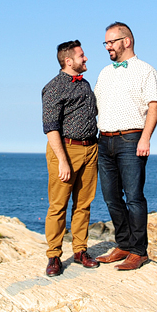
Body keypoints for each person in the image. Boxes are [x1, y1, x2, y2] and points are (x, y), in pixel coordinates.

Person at [93, 22, 157, 270]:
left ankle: (138, 251)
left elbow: (155, 105)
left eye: (111, 42)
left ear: (127, 41)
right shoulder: (104, 73)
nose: (107, 47)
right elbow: (96, 106)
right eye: (106, 43)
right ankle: (123, 244)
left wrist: (145, 138)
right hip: (104, 139)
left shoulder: (146, 71)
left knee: (134, 198)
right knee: (111, 197)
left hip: (131, 139)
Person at [41, 40, 101, 276]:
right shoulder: (54, 87)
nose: (85, 59)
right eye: (82, 56)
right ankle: (54, 256)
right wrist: (63, 160)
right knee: (58, 206)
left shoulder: (85, 85)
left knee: (84, 204)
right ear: (68, 61)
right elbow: (50, 127)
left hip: (90, 149)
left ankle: (80, 251)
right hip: (65, 150)